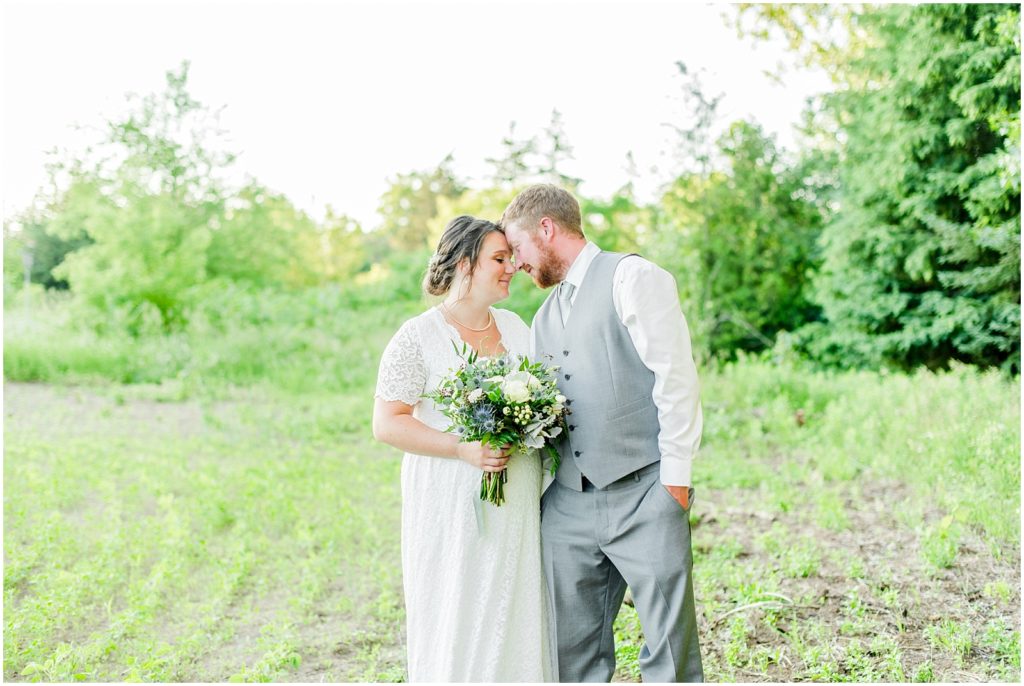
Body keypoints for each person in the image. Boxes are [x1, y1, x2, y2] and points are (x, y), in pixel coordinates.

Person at [501, 185, 704, 682]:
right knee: (571, 655)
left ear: (546, 228)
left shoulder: (632, 277)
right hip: (569, 504)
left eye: (518, 248)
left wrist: (674, 484)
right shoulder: (543, 317)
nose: (515, 264)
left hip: (645, 493)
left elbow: (674, 379)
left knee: (669, 652)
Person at [372, 215, 557, 682]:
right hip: (450, 499)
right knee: (457, 603)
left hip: (515, 498)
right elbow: (387, 423)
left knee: (514, 603)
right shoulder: (417, 337)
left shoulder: (517, 328)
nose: (511, 267)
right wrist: (462, 448)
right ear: (464, 264)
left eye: (511, 258)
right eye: (499, 259)